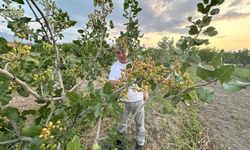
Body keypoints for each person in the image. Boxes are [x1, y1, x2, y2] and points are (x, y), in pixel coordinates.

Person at [109, 45, 149, 150]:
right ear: (115, 53)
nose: (121, 55)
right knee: (122, 122)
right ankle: (121, 139)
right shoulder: (114, 67)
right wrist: (124, 81)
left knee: (140, 123)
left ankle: (140, 142)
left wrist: (145, 91)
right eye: (118, 53)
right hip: (123, 100)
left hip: (138, 99)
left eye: (123, 51)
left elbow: (143, 78)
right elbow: (112, 82)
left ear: (128, 51)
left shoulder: (136, 64)